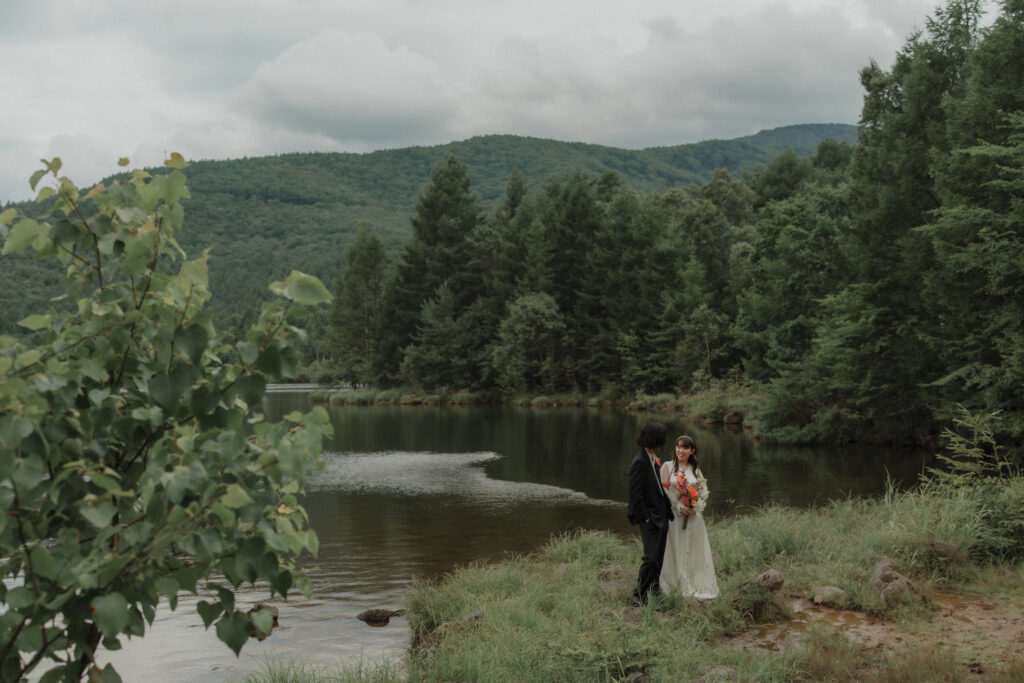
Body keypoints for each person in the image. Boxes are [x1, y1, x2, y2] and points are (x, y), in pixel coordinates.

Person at [659, 435, 719, 599]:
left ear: (692, 451)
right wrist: (678, 505)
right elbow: (663, 490)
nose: (680, 450)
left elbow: (703, 492)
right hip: (674, 517)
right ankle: (675, 586)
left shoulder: (695, 470)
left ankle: (693, 584)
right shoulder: (668, 467)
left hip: (693, 519)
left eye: (685, 448)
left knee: (692, 551)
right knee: (675, 549)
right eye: (678, 446)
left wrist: (696, 506)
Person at [627, 420, 674, 605]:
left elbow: (656, 488)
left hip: (661, 517)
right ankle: (639, 597)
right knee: (650, 558)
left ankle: (653, 594)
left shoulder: (651, 457)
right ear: (655, 438)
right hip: (650, 519)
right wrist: (645, 517)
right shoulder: (639, 461)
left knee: (658, 559)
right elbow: (635, 495)